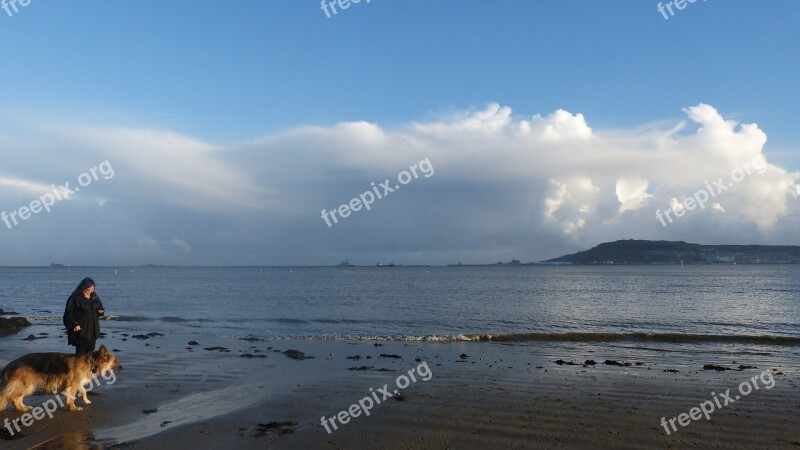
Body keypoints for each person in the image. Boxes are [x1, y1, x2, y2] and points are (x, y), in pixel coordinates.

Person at [63, 277, 105, 355]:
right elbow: (68, 314)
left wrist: (101, 311)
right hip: (81, 331)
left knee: (90, 354)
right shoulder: (75, 298)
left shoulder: (94, 296)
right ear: (84, 287)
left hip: (93, 331)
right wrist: (74, 325)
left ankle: (88, 367)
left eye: (93, 289)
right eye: (89, 289)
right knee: (80, 356)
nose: (91, 291)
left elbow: (100, 307)